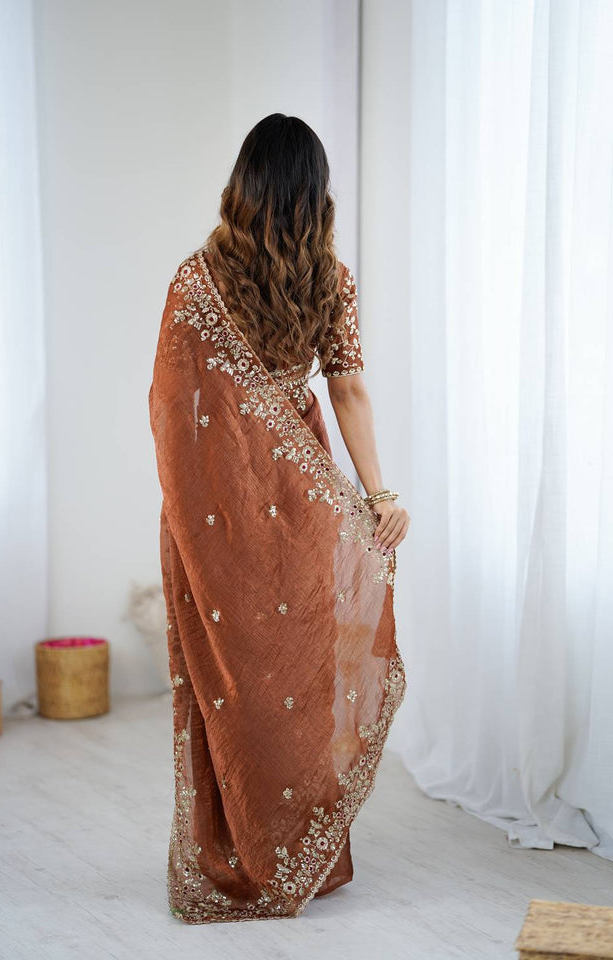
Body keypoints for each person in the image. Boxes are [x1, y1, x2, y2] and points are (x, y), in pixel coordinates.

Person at [148, 113, 410, 925]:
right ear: (316, 194)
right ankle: (301, 856)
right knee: (297, 680)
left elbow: (172, 407)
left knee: (235, 684)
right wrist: (377, 494)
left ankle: (240, 857)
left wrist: (204, 502)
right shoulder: (330, 278)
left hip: (216, 514)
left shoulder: (198, 281)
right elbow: (348, 390)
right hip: (301, 511)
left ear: (244, 185)